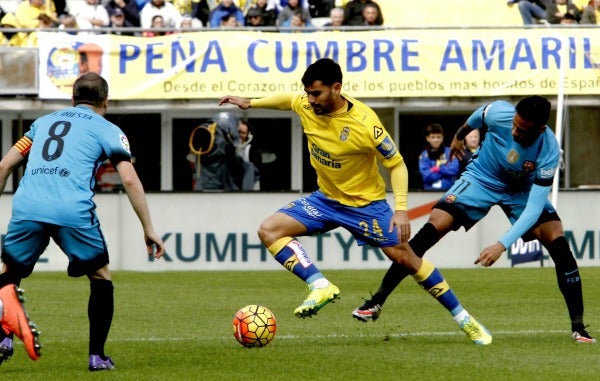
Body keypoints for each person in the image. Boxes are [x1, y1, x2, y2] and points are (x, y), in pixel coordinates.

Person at [218, 58, 492, 345]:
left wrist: (400, 210)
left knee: (408, 260)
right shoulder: (306, 104)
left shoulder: (365, 123)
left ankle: (464, 319)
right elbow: (288, 100)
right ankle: (319, 284)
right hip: (326, 200)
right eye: (308, 93)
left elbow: (397, 165)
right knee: (269, 230)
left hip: (366, 206)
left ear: (336, 88)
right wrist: (251, 102)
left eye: (316, 94)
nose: (310, 100)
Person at [352, 95, 596, 344]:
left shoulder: (549, 150)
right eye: (514, 123)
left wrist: (501, 245)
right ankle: (376, 301)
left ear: (541, 128)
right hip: (482, 178)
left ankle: (578, 327)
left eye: (521, 130)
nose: (514, 131)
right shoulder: (499, 112)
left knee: (559, 245)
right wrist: (459, 136)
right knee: (432, 229)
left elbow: (533, 209)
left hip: (521, 190)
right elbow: (477, 116)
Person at [0, 72, 165, 370]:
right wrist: (148, 228)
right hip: (71, 209)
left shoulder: (41, 124)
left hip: (27, 206)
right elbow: (128, 178)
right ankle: (97, 356)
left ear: (73, 99)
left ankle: (3, 337)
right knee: (100, 275)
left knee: (9, 274)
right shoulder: (108, 129)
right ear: (106, 101)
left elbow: (4, 165)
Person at [418, 123, 459, 191]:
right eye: (433, 137)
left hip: (448, 191)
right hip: (429, 192)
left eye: (438, 137)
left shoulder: (450, 152)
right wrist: (445, 173)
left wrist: (439, 169)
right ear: (428, 138)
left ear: (442, 137)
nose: (436, 140)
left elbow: (454, 170)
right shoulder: (424, 156)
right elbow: (426, 176)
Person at [237, 119, 261, 190]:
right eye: (238, 132)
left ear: (248, 135)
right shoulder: (230, 148)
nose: (240, 135)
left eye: (243, 133)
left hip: (249, 188)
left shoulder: (252, 150)